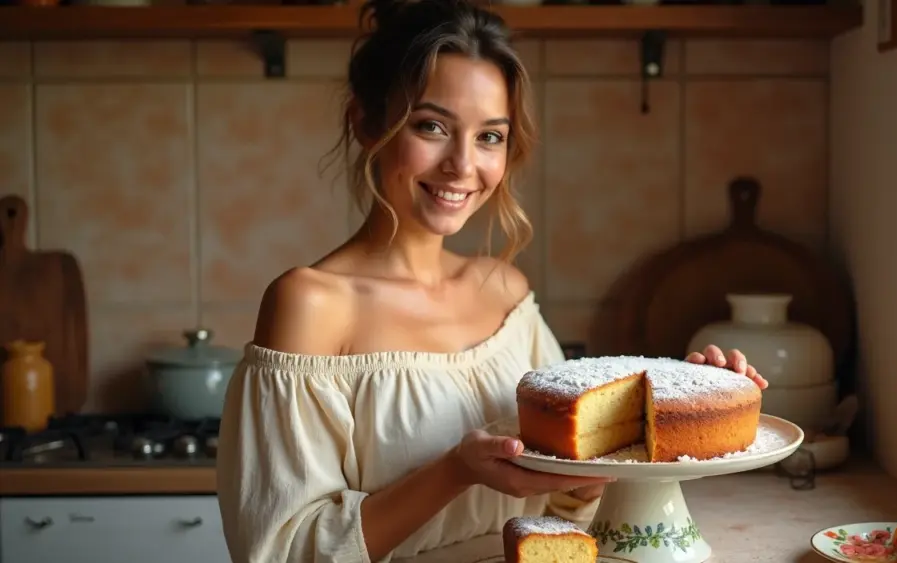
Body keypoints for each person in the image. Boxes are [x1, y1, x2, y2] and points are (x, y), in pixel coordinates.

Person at [214, 0, 769, 561]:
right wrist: (456, 471)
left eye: (489, 137)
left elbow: (570, 512)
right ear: (366, 123)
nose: (462, 165)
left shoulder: (505, 293)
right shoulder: (310, 304)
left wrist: (689, 408)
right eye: (432, 126)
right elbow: (281, 551)